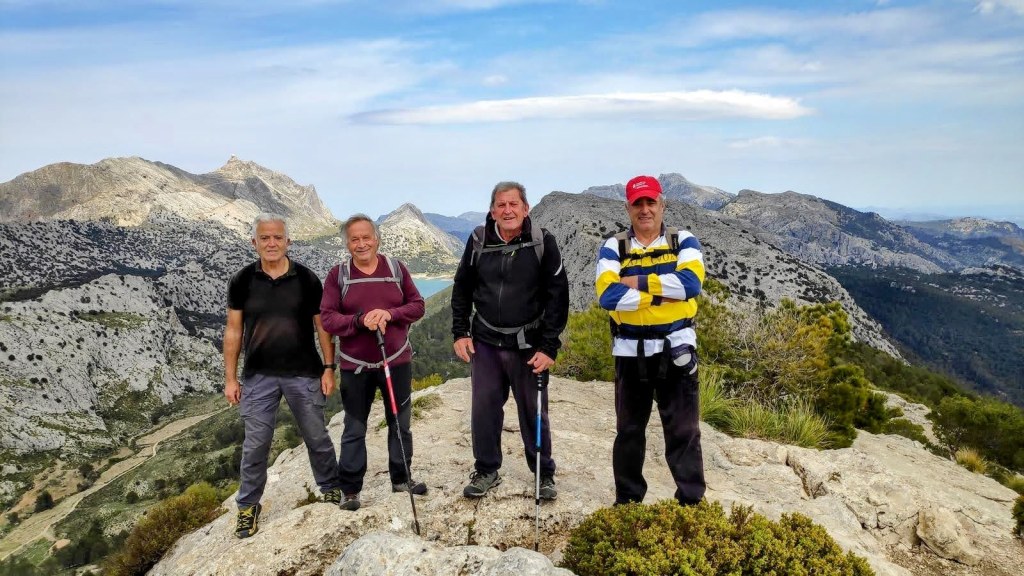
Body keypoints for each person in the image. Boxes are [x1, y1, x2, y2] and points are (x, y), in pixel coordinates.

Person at [224, 213, 341, 539]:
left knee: (317, 437)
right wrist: (231, 378)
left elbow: (323, 328)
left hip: (304, 373)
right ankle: (248, 506)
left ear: (288, 241)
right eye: (265, 238)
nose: (271, 243)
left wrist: (329, 368)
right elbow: (234, 331)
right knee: (256, 445)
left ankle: (330, 486)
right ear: (254, 243)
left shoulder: (307, 280)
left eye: (277, 237)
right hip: (259, 376)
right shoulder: (242, 281)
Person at [451, 181, 569, 500]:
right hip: (486, 341)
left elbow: (558, 297)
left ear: (525, 208)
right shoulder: (478, 240)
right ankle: (487, 469)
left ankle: (543, 475)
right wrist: (460, 332)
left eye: (513, 204)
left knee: (533, 409)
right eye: (501, 205)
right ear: (492, 211)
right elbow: (462, 287)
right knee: (485, 407)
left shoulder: (543, 242)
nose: (507, 211)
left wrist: (549, 347)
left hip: (529, 345)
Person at [595, 175, 706, 507]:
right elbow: (609, 296)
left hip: (677, 350)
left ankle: (691, 503)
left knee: (684, 432)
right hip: (630, 353)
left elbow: (689, 285)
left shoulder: (684, 241)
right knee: (629, 432)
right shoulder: (614, 246)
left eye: (650, 202)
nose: (645, 210)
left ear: (662, 205)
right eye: (637, 203)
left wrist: (637, 283)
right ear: (628, 208)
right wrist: (662, 296)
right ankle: (628, 503)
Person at [320, 214, 426, 512]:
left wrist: (390, 314)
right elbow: (327, 317)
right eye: (354, 239)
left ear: (377, 238)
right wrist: (359, 320)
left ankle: (402, 479)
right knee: (354, 427)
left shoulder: (395, 269)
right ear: (347, 244)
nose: (361, 244)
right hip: (355, 366)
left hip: (396, 361)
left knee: (400, 423)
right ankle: (350, 490)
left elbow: (417, 306)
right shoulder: (337, 276)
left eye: (366, 237)